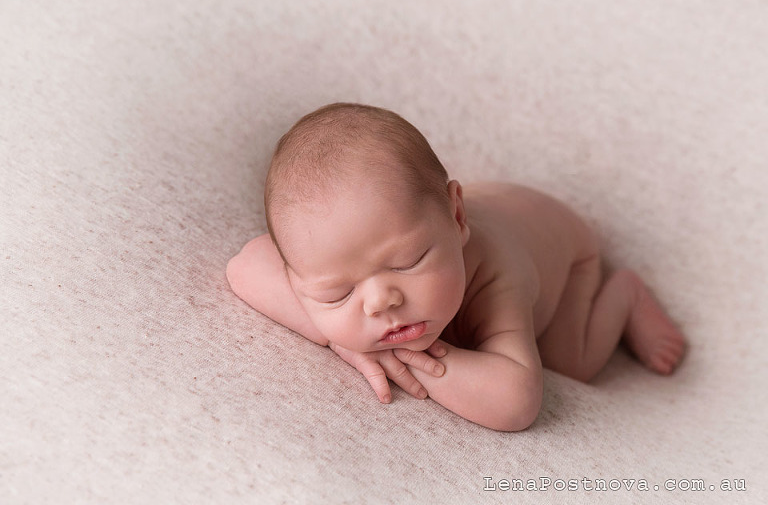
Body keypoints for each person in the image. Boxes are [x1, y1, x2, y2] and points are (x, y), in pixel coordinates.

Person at [226, 103, 686, 431]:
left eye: (408, 261)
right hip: (465, 208)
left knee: (571, 361)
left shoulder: (498, 274)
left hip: (565, 254)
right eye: (337, 293)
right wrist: (344, 340)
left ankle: (625, 295)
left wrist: (401, 358)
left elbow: (516, 403)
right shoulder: (342, 251)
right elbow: (246, 264)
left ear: (457, 218)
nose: (381, 302)